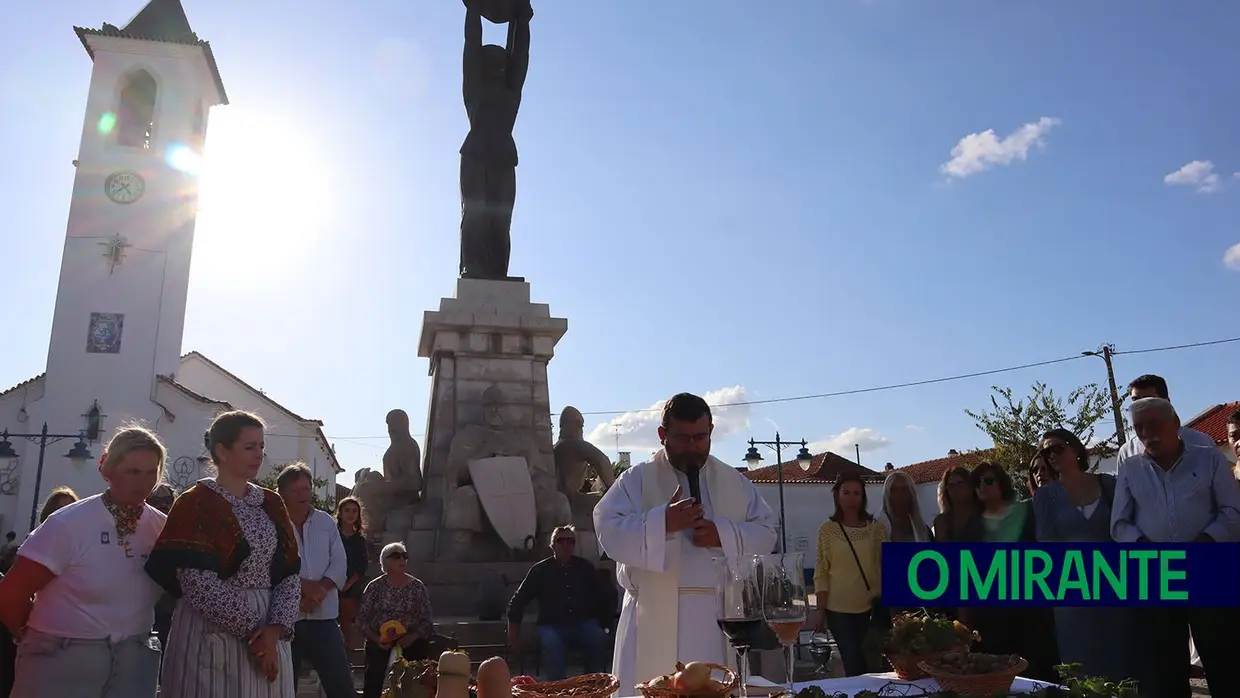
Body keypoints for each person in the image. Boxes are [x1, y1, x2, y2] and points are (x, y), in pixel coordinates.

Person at [593, 393, 778, 692]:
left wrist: (721, 534)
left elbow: (767, 530)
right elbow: (607, 527)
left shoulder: (735, 482)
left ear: (711, 432)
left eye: (700, 437)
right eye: (683, 438)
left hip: (717, 620)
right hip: (649, 618)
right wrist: (663, 522)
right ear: (662, 435)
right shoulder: (636, 480)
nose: (693, 446)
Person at [0, 427, 168, 698]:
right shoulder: (68, 524)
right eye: (133, 471)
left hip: (135, 660)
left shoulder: (162, 527)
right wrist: (36, 639)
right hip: (61, 658)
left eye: (152, 473)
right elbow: (11, 594)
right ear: (106, 468)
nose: (144, 482)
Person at [145, 411, 301, 698]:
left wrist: (275, 629)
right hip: (210, 628)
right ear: (222, 451)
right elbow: (196, 581)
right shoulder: (195, 503)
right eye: (249, 446)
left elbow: (289, 573)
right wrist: (255, 632)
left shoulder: (271, 503)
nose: (259, 454)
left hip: (269, 624)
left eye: (261, 446)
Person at [1111, 397, 1240, 698]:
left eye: (1153, 424)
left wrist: (1204, 543)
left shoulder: (1209, 459)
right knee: (1165, 671)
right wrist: (1145, 549)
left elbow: (1233, 513)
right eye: (1138, 427)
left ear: (1175, 423)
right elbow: (1119, 524)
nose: (1145, 433)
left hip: (1209, 571)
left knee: (1226, 664)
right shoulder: (1130, 467)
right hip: (1159, 577)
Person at [1033, 428, 1134, 685]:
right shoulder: (1045, 496)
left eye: (1057, 447)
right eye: (1046, 451)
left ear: (1076, 449)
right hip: (1072, 596)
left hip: (1114, 588)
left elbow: (1125, 532)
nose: (1050, 455)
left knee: (1121, 665)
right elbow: (1047, 545)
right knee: (1081, 670)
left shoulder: (1108, 484)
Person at [965, 463, 1058, 682]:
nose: (982, 486)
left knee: (1038, 673)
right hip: (991, 614)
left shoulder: (1026, 512)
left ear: (1001, 483)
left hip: (1030, 609)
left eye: (988, 480)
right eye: (977, 483)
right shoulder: (971, 527)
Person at [277, 464, 354, 698]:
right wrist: (302, 587)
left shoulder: (326, 522)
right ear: (282, 493)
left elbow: (340, 563)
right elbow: (271, 566)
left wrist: (320, 589)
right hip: (286, 619)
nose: (303, 495)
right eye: (296, 490)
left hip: (325, 618)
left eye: (306, 489)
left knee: (341, 685)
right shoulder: (273, 524)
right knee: (283, 688)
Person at [506, 525, 608, 680]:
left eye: (570, 541)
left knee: (597, 637)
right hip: (551, 625)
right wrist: (514, 636)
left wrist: (605, 624)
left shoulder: (585, 568)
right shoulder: (540, 571)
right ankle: (558, 690)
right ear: (552, 545)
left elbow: (603, 596)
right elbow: (518, 601)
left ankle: (592, 687)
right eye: (561, 541)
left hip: (581, 623)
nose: (566, 545)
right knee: (552, 645)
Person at [813, 473, 886, 677]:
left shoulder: (876, 529)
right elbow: (821, 571)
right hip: (839, 610)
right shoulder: (827, 530)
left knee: (875, 663)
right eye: (846, 493)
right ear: (837, 495)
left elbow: (885, 565)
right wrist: (820, 610)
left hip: (871, 606)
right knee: (853, 663)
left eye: (857, 493)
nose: (851, 498)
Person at [357, 542, 434, 698]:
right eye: (396, 556)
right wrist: (377, 639)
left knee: (415, 675)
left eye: (404, 556)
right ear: (385, 562)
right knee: (374, 671)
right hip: (380, 639)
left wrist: (412, 637)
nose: (402, 560)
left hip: (410, 638)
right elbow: (361, 619)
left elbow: (427, 620)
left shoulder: (417, 587)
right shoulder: (375, 587)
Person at [1115, 375, 1214, 462]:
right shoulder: (1127, 452)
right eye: (1135, 400)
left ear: (1166, 402)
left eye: (1148, 399)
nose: (1140, 405)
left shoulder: (1202, 443)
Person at [335, 496, 369, 654]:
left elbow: (362, 566)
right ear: (340, 513)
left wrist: (348, 583)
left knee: (346, 623)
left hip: (350, 587)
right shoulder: (332, 535)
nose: (350, 514)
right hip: (329, 584)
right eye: (347, 510)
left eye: (354, 511)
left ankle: (345, 656)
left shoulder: (359, 539)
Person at [876, 471, 930, 542]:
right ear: (887, 495)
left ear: (911, 494)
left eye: (904, 489)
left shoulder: (923, 530)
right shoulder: (877, 527)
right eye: (894, 490)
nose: (900, 494)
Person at [931, 467, 982, 542]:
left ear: (970, 487)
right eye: (951, 485)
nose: (955, 489)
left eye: (960, 483)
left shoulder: (983, 516)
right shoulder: (941, 521)